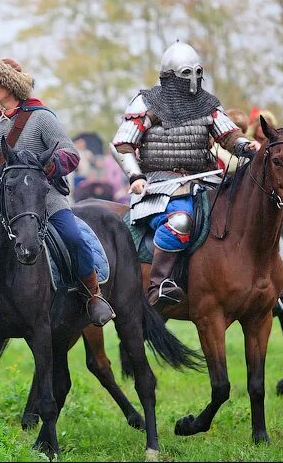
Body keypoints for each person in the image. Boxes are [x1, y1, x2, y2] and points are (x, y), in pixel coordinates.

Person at [0, 57, 114, 328]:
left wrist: (48, 165)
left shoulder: (42, 119)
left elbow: (70, 155)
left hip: (44, 199)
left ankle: (92, 297)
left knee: (73, 238)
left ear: (9, 84)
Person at [110, 41, 260, 306]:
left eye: (197, 73)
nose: (193, 80)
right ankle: (158, 286)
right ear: (169, 76)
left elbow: (227, 135)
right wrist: (135, 176)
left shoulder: (208, 104)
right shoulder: (148, 103)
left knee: (247, 213)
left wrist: (245, 146)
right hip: (162, 184)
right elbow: (122, 144)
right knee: (180, 221)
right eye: (186, 73)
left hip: (205, 179)